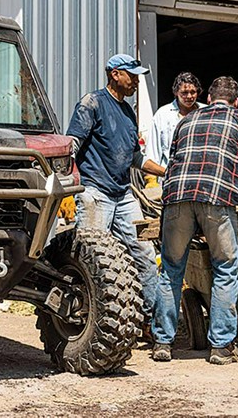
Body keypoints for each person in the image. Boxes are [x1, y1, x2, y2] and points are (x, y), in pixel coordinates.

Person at [151, 76, 238, 365]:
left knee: (171, 270)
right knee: (225, 268)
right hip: (217, 199)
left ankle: (162, 343)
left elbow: (174, 160)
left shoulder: (187, 121)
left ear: (208, 99)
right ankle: (221, 347)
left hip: (177, 197)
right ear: (236, 102)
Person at [66, 53, 166, 328]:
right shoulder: (93, 103)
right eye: (131, 75)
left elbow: (136, 157)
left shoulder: (127, 113)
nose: (135, 81)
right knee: (92, 258)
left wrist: (167, 171)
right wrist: (66, 180)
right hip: (95, 193)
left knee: (144, 253)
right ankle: (85, 320)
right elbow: (72, 143)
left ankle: (150, 323)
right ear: (114, 74)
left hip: (123, 195)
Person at [144, 71, 205, 173]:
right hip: (171, 176)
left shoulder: (206, 112)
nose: (189, 96)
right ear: (176, 92)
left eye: (193, 92)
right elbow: (153, 152)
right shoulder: (163, 114)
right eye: (184, 93)